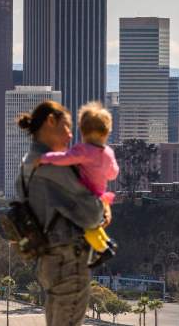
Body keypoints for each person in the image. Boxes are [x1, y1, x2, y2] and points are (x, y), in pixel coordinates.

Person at [16, 100, 109, 326]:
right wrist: (103, 207)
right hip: (69, 262)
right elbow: (91, 216)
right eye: (66, 127)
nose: (70, 136)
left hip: (47, 260)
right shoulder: (56, 167)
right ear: (50, 121)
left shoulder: (27, 164)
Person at [35, 102, 119, 264]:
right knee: (93, 226)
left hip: (85, 198)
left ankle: (103, 249)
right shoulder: (108, 153)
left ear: (82, 131)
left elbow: (64, 158)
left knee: (84, 226)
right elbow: (113, 173)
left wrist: (44, 158)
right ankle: (107, 243)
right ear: (107, 132)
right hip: (101, 199)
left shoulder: (84, 150)